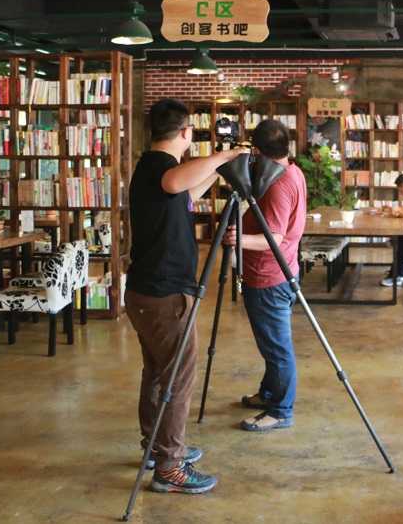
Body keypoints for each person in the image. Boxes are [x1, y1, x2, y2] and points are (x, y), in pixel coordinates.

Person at [125, 98, 247, 495]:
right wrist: (223, 154)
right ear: (186, 132)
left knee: (157, 375)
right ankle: (170, 466)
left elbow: (186, 191)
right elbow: (176, 183)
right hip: (165, 295)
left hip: (146, 292)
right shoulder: (162, 169)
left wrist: (218, 168)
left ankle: (156, 446)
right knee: (177, 378)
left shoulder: (150, 166)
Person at [223, 119, 307, 432]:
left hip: (268, 276)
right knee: (272, 345)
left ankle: (281, 412)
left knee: (277, 349)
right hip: (282, 270)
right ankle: (268, 395)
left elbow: (274, 237)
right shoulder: (292, 171)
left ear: (256, 151)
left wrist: (237, 239)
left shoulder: (278, 185)